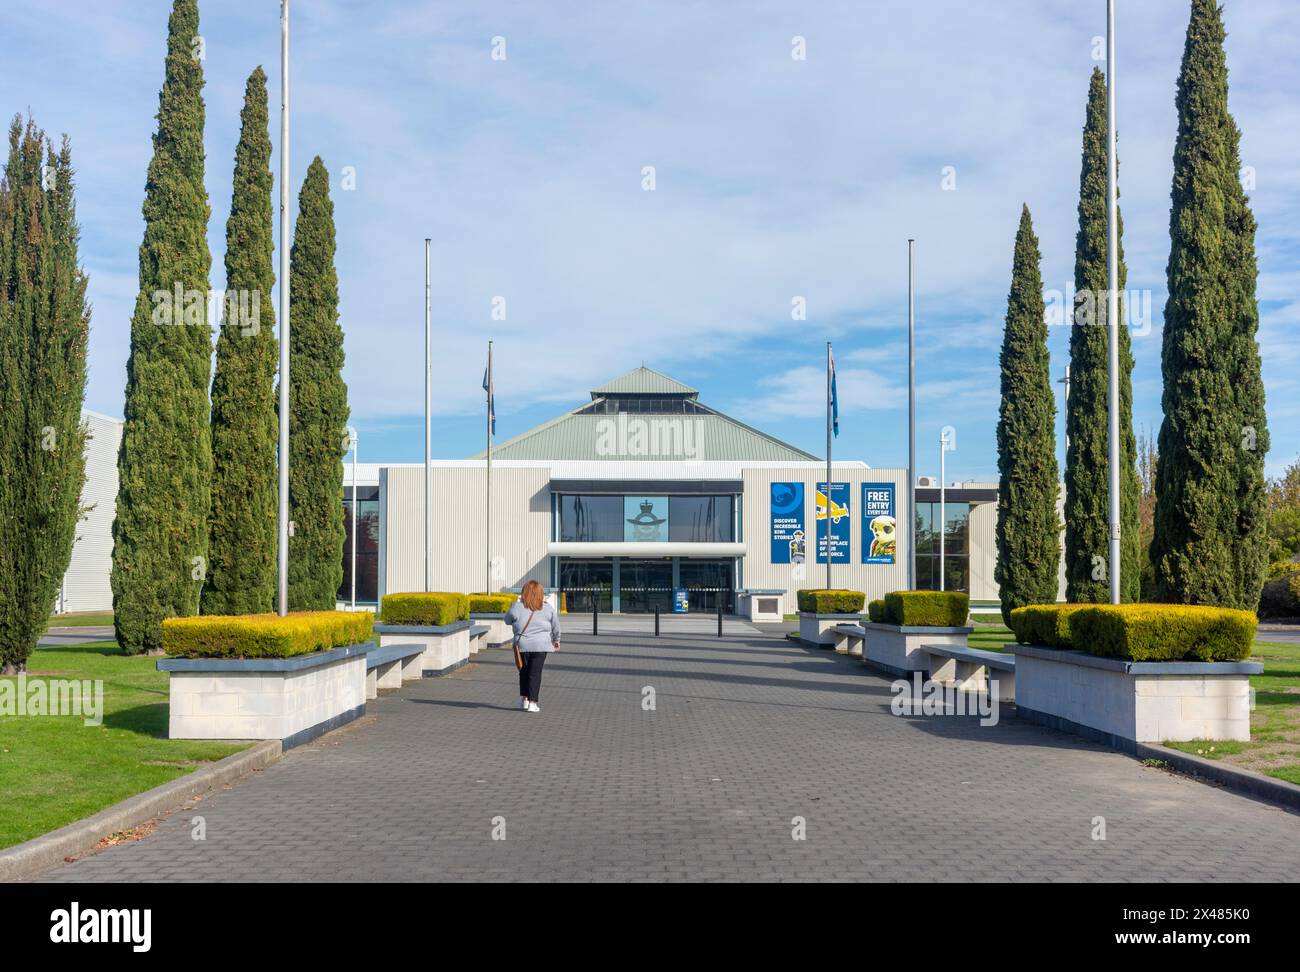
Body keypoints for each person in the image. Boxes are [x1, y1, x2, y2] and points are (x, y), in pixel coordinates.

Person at [505, 579, 560, 712]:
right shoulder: (548, 608)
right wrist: (556, 640)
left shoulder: (517, 607)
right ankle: (533, 702)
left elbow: (507, 620)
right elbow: (555, 626)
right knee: (535, 673)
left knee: (523, 671)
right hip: (541, 645)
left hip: (522, 645)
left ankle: (524, 699)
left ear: (524, 593)